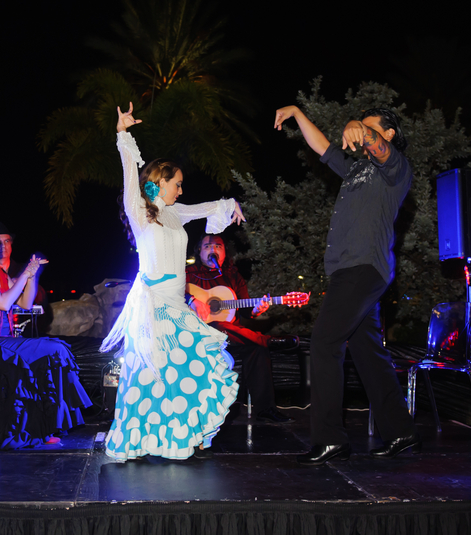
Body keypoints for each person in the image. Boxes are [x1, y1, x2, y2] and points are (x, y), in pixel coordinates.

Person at [274, 104, 419, 464]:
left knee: (324, 343)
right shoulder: (357, 168)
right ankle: (401, 430)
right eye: (361, 128)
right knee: (368, 351)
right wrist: (296, 112)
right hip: (348, 270)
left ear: (387, 134)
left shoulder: (395, 168)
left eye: (372, 129)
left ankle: (330, 438)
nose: (361, 134)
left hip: (363, 268)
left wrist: (359, 126)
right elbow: (322, 146)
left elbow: (380, 149)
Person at [100, 102, 244, 461]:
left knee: (187, 369)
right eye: (177, 184)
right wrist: (122, 134)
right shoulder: (140, 210)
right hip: (153, 306)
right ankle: (144, 439)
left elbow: (210, 207)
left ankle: (178, 436)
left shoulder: (176, 213)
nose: (181, 190)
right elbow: (128, 172)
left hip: (176, 304)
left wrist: (229, 204)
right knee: (151, 377)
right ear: (159, 182)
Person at [0, 219, 92, 448]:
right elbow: (3, 302)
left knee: (54, 350)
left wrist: (32, 275)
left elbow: (26, 303)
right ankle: (21, 432)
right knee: (33, 355)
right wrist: (24, 275)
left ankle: (44, 427)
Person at [185, 234, 298, 423]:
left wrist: (256, 310)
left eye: (218, 246)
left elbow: (245, 311)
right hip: (197, 334)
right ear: (199, 251)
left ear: (224, 251)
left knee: (257, 348)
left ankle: (265, 409)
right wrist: (193, 300)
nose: (213, 250)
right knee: (219, 325)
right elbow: (172, 293)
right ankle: (267, 340)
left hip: (230, 335)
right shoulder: (187, 273)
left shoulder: (232, 275)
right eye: (207, 246)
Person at [0, 222, 52, 337]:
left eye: (7, 241)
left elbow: (38, 301)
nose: (3, 246)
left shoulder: (23, 270)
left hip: (26, 332)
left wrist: (29, 278)